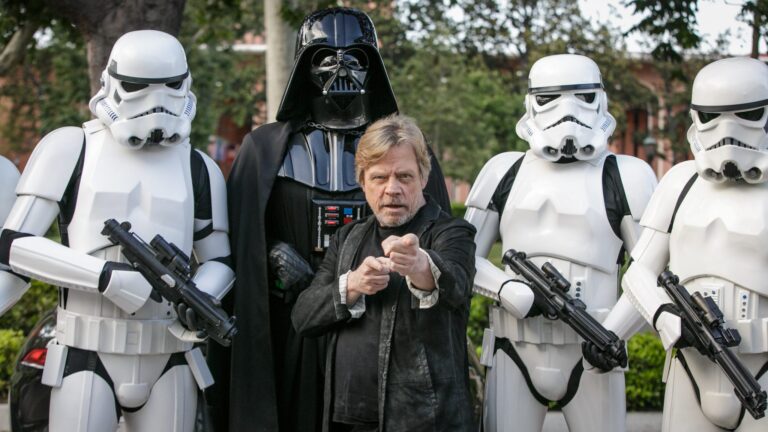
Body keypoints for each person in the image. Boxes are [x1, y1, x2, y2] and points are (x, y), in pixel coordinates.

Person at [212, 7, 451, 432]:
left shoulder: (407, 150)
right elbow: (242, 242)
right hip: (293, 323)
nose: (340, 70)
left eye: (355, 57)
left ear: (373, 66)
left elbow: (433, 239)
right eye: (325, 57)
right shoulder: (265, 149)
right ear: (304, 66)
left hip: (378, 321)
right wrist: (271, 259)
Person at [0, 30, 233, 432]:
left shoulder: (198, 167)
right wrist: (104, 277)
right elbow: (15, 247)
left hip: (169, 353)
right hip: (86, 351)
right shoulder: (70, 147)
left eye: (170, 86)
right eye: (138, 87)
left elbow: (220, 260)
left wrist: (200, 299)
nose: (156, 102)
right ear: (110, 83)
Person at [464, 54, 657, 431]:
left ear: (600, 99)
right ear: (531, 102)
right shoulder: (503, 170)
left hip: (592, 352)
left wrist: (614, 333)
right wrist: (504, 288)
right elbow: (461, 257)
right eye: (550, 98)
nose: (567, 112)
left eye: (582, 97)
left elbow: (651, 270)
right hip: (513, 349)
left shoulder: (627, 175)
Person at [605, 57, 768, 431]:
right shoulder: (680, 182)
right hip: (688, 368)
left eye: (747, 114)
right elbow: (639, 274)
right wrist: (662, 318)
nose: (727, 131)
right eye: (712, 116)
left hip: (760, 368)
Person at [291, 114, 476, 431]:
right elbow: (303, 318)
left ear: (423, 178)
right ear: (363, 182)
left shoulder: (452, 232)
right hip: (345, 420)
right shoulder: (347, 238)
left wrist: (419, 265)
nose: (392, 189)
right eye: (379, 177)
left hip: (424, 422)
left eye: (404, 176)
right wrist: (352, 285)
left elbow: (456, 286)